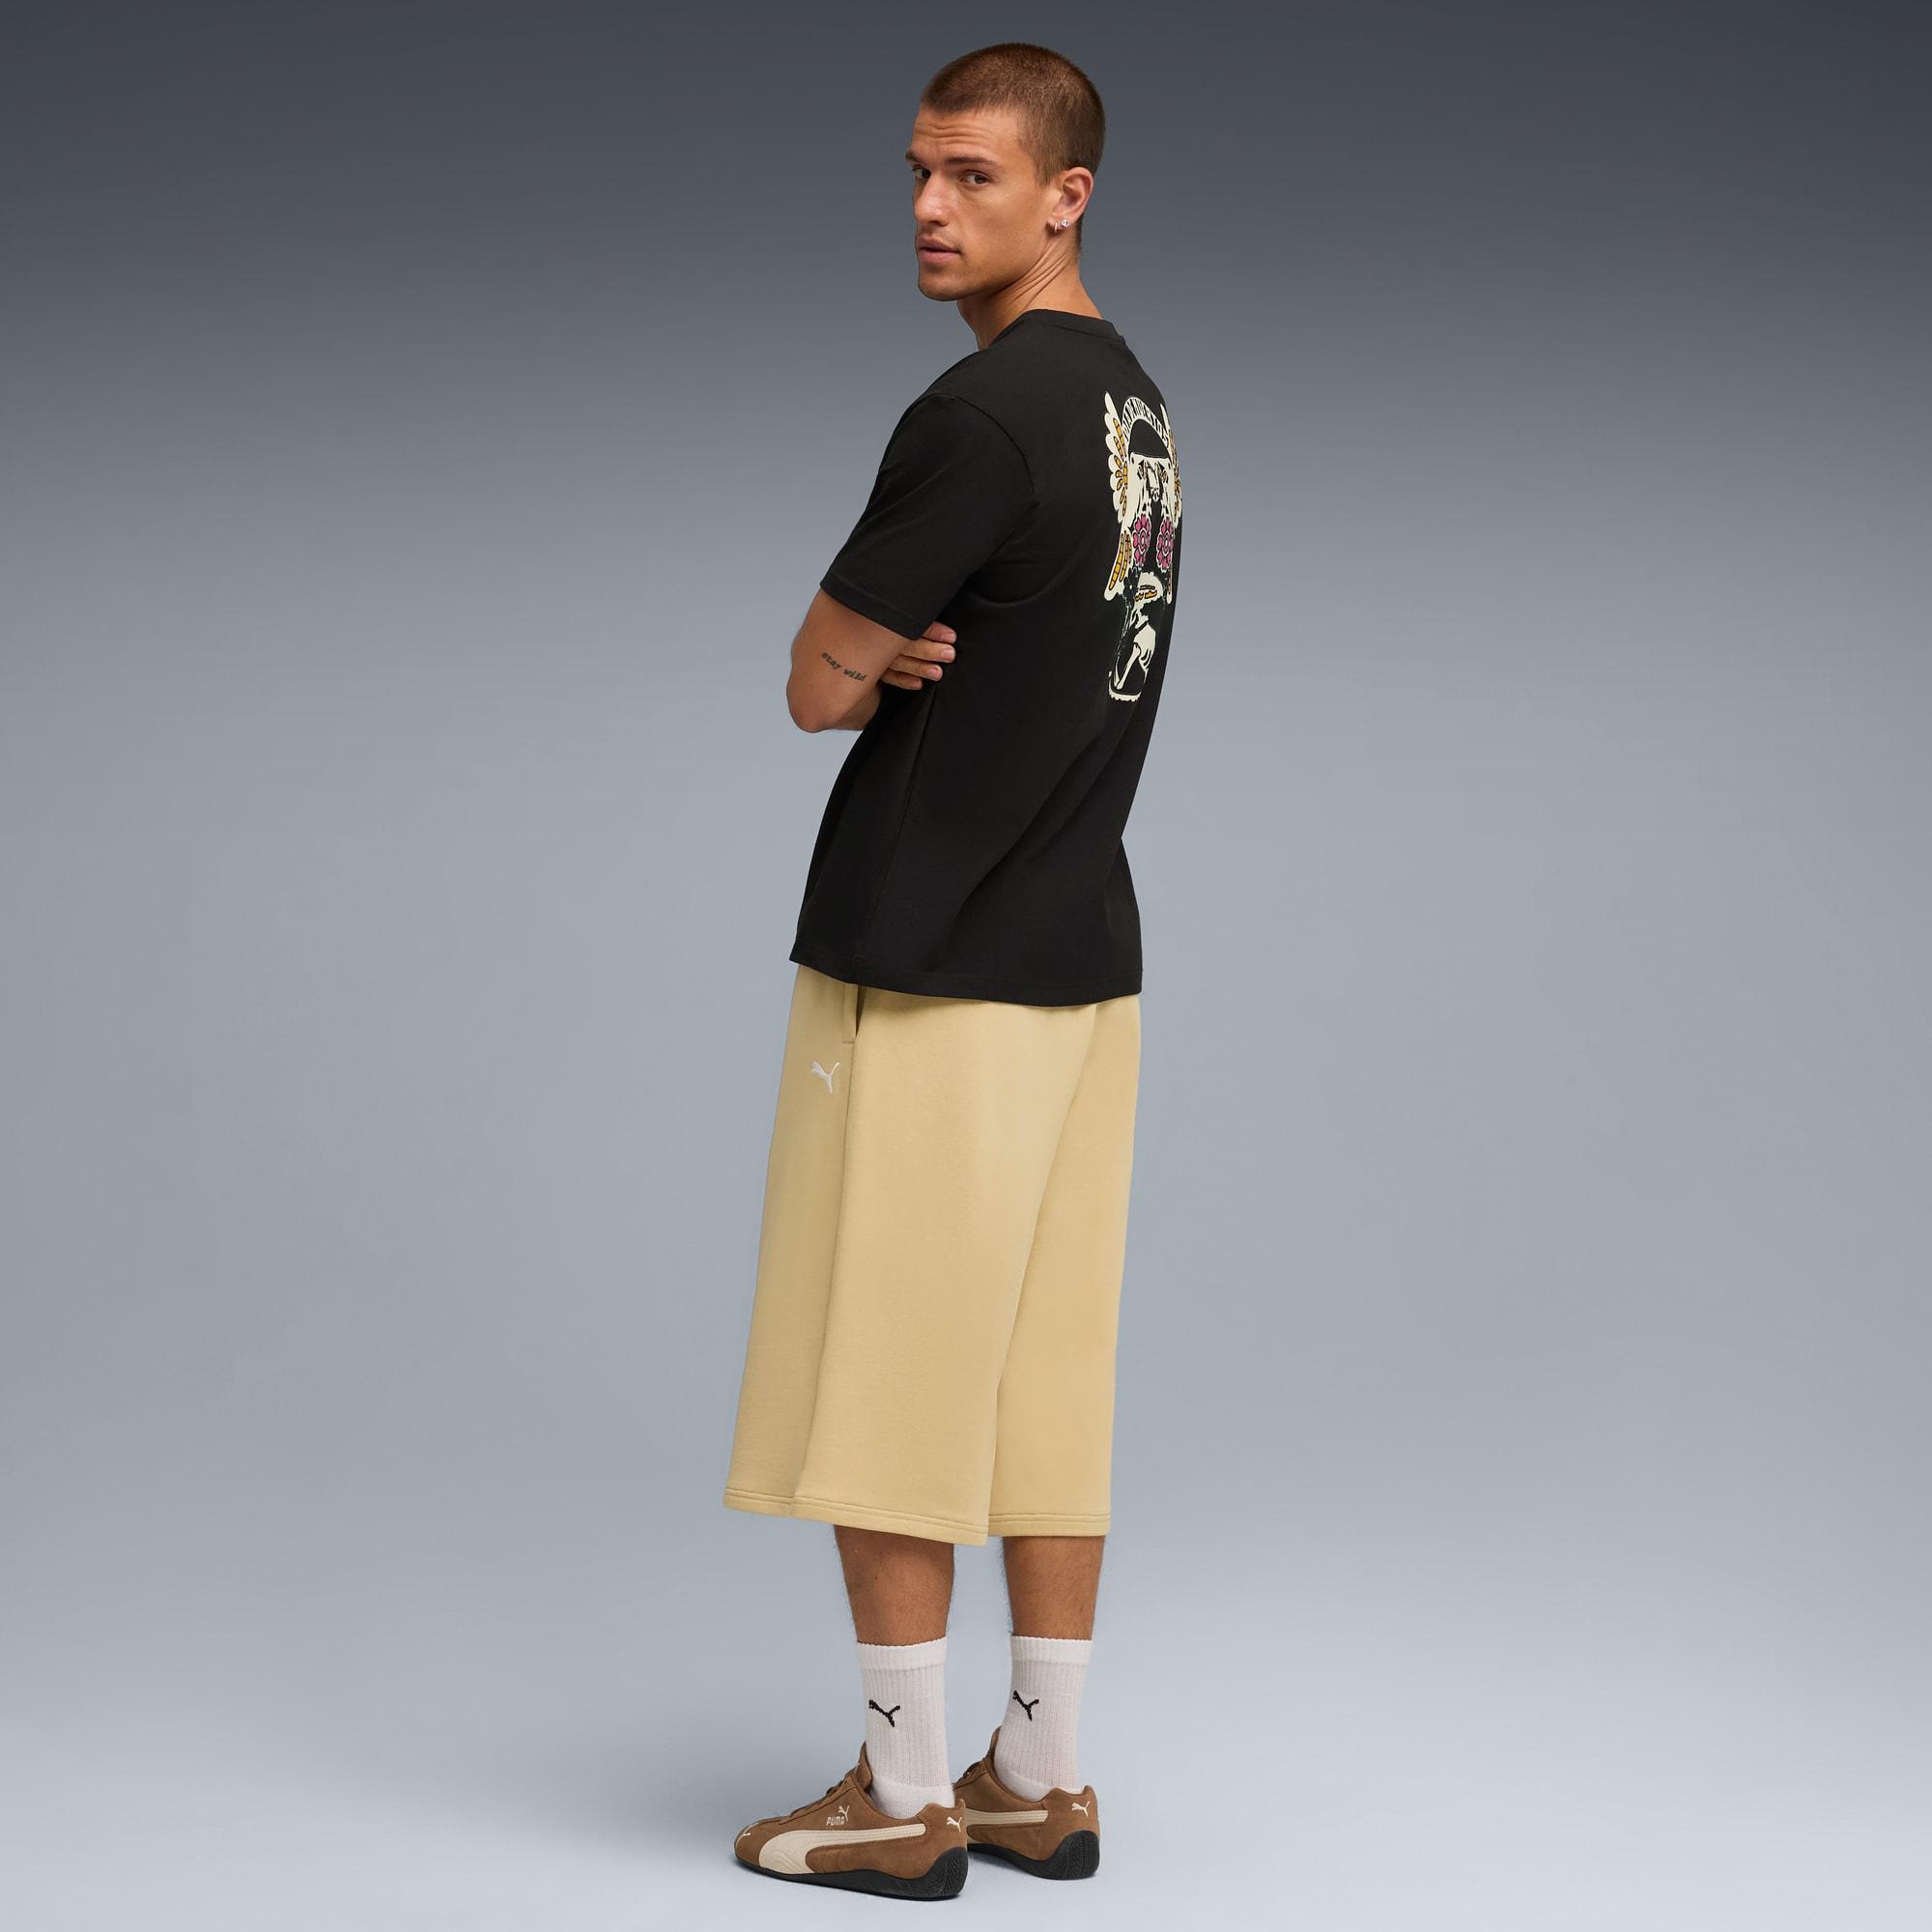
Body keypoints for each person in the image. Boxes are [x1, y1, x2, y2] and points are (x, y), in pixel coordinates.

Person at [721, 40, 1183, 1898]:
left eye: (973, 175)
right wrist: (915, 637)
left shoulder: (977, 416)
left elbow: (814, 685)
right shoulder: (1136, 408)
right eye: (918, 170)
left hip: (930, 963)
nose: (929, 206)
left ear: (1067, 196)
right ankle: (1039, 1776)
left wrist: (879, 653)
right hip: (1083, 956)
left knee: (893, 1378)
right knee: (1041, 1382)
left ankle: (904, 1797)